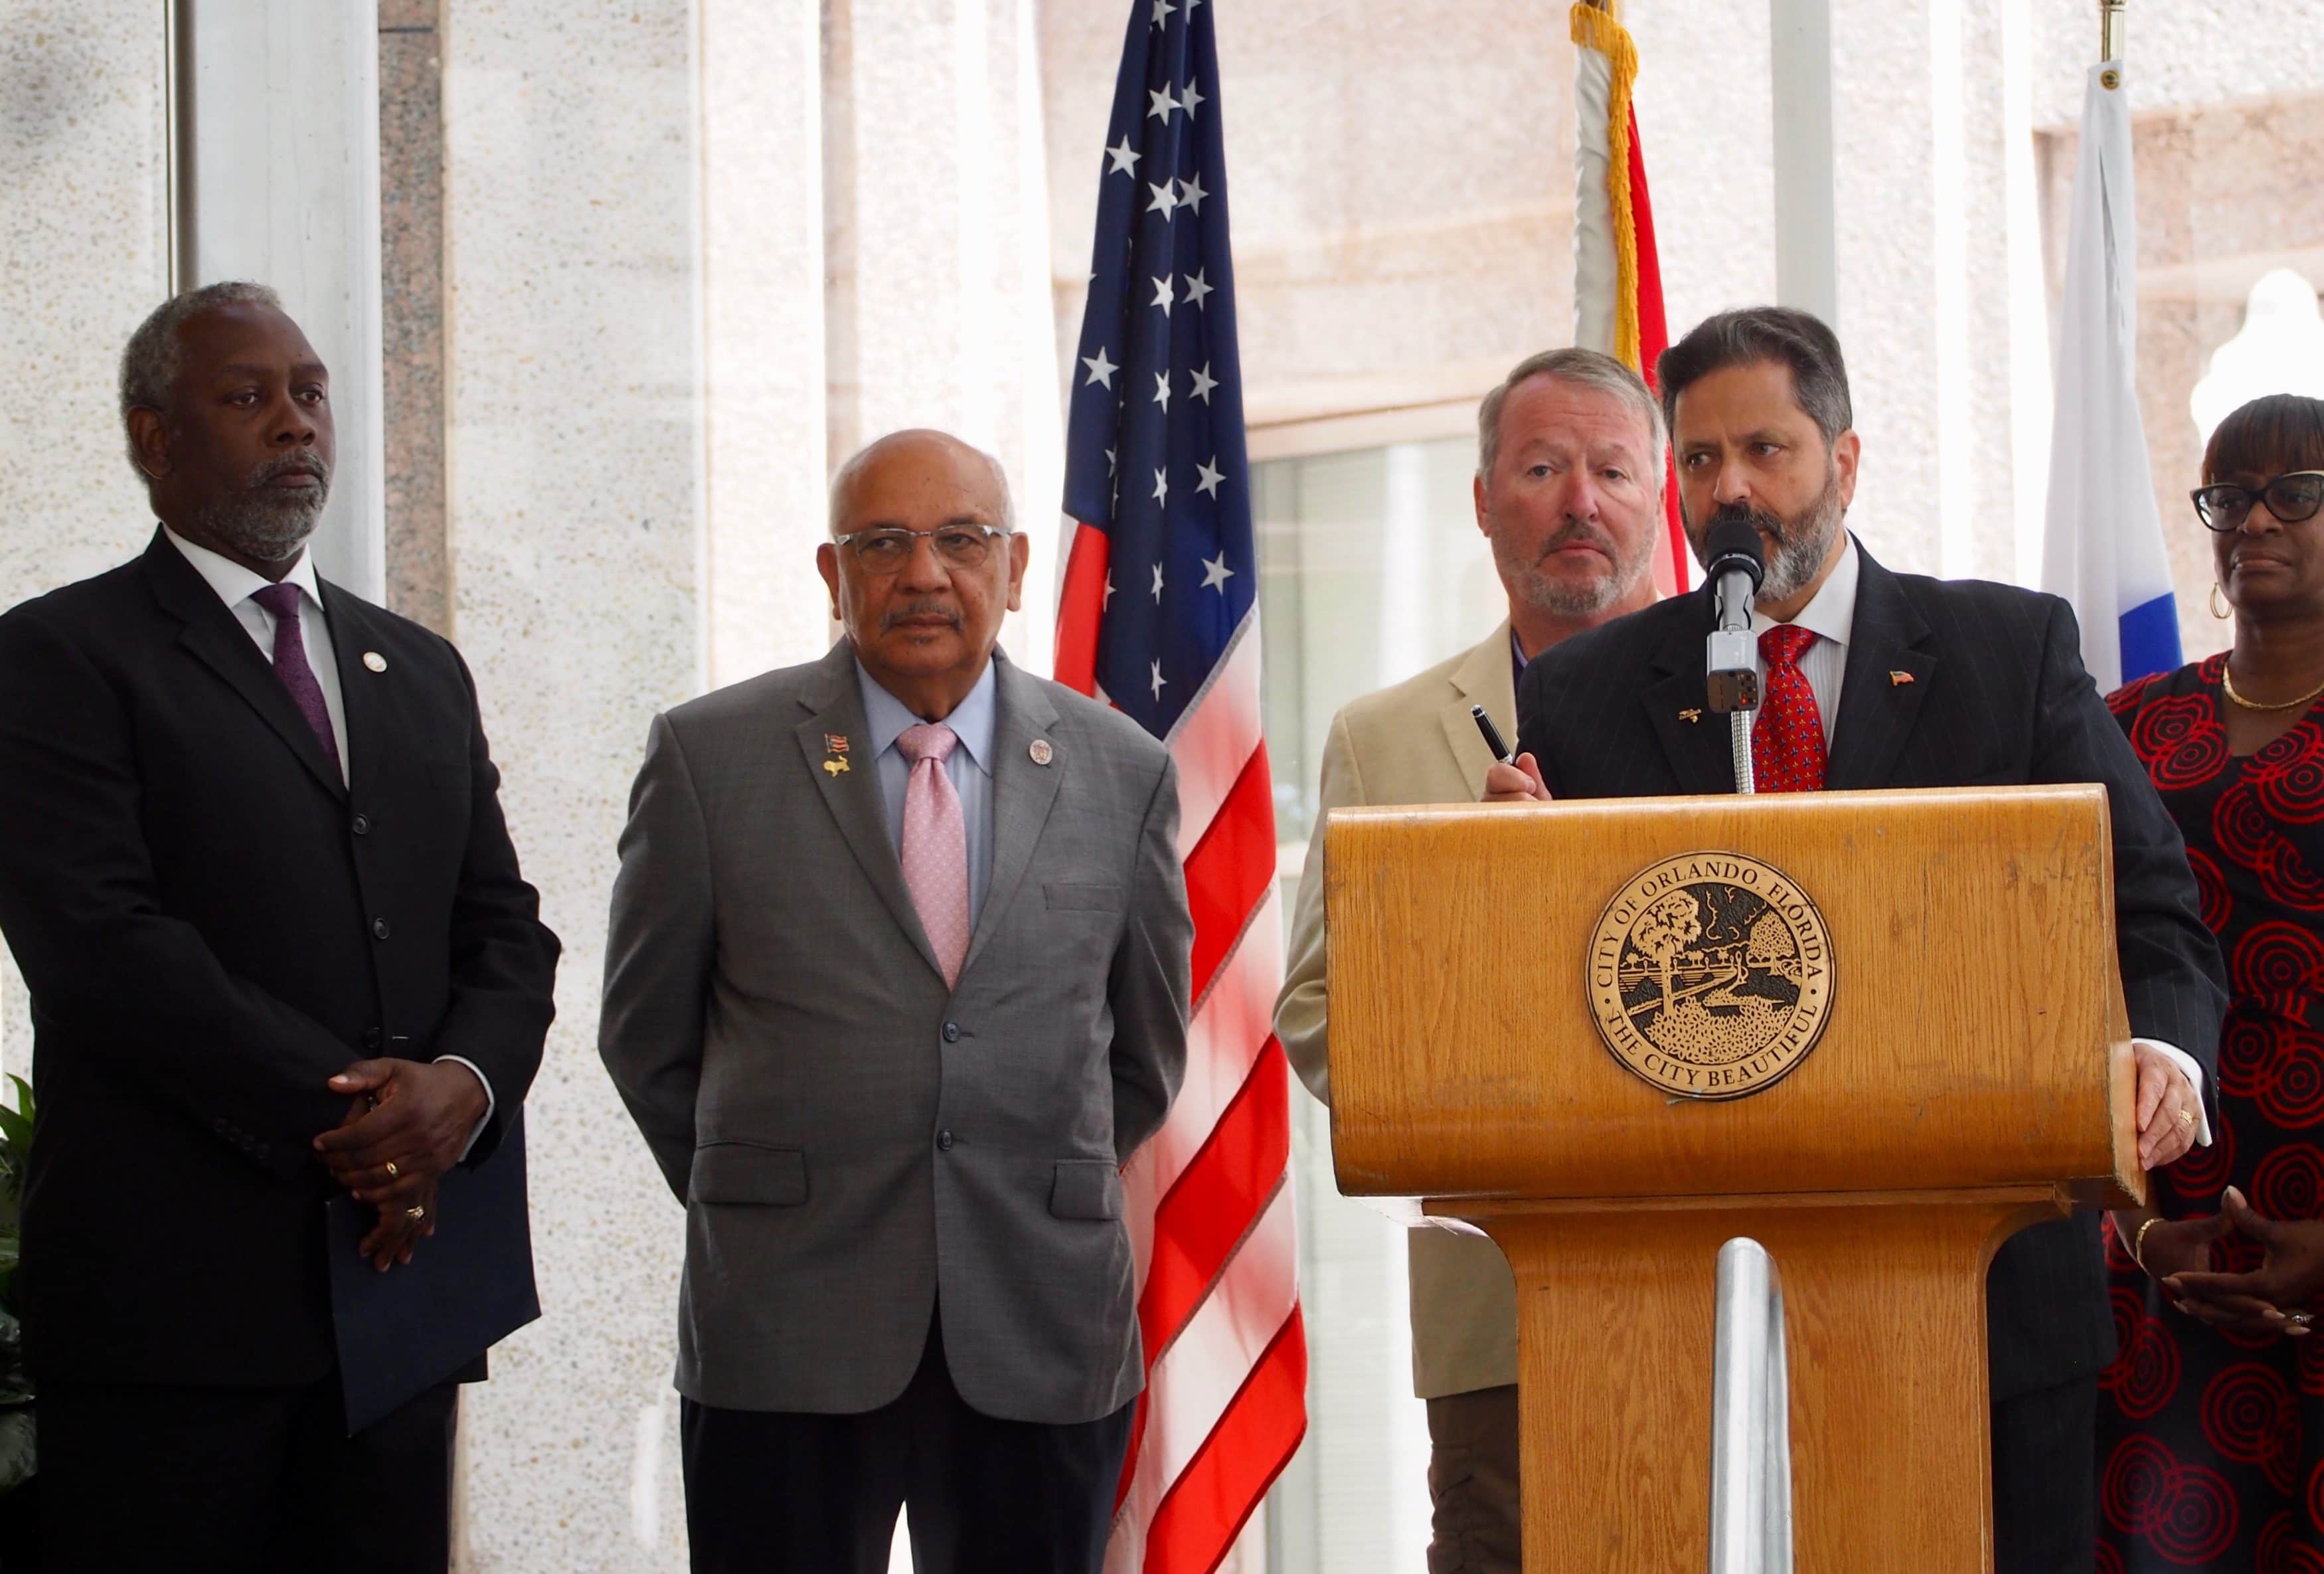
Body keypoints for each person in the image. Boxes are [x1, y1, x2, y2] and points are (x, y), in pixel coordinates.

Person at [1484, 306, 2228, 1574]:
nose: (1732, 493)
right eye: (1702, 459)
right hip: (1682, 1322)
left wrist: (2161, 1045)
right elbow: (1572, 987)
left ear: (1846, 457)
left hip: (1987, 1310)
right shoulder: (1586, 690)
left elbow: (2150, 898)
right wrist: (1515, 877)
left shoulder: (2005, 648)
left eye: (1766, 451)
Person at [0, 282, 560, 1573]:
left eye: (308, 392)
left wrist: (462, 1092)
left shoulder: (416, 667)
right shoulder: (61, 657)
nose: (294, 422)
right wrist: (369, 1119)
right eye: (246, 398)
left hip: (402, 1300)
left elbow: (506, 932)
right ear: (153, 438)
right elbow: (104, 951)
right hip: (173, 1316)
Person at [598, 429, 1191, 1574]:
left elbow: (1143, 1050)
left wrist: (1002, 1177)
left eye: (960, 540)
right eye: (885, 543)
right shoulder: (710, 757)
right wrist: (768, 1187)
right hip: (787, 1322)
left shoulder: (1124, 772)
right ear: (834, 573)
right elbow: (645, 1036)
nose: (925, 573)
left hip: (1038, 1318)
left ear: (1016, 568)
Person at [1273, 346, 1665, 1573]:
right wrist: (1483, 917)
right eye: (1542, 468)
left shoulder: (1752, 713)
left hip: (1737, 1282)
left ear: (1660, 496)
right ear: (1485, 499)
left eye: (1611, 469)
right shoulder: (1386, 738)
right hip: (1497, 1311)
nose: (1579, 502)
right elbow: (1318, 1013)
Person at [2097, 393, 2324, 1571]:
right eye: (2230, 496)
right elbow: (2065, 982)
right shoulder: (2126, 726)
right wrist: (2139, 1231)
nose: (2259, 519)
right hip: (2161, 1240)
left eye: (2299, 492)